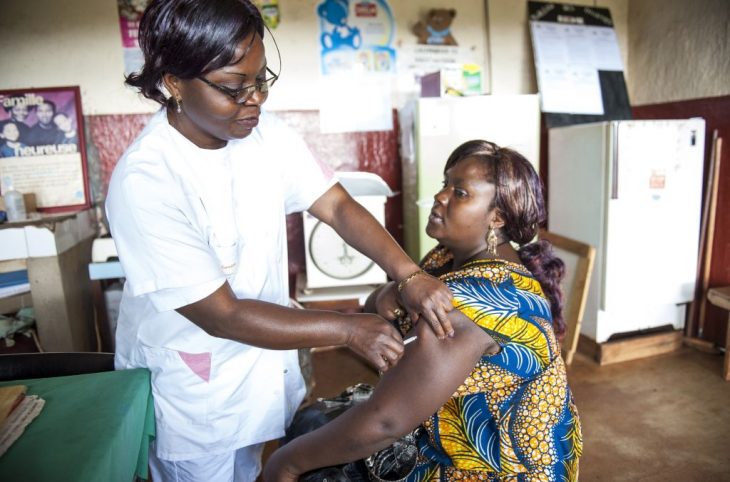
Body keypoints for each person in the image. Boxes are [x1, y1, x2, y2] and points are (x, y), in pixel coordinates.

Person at [104, 1, 454, 481]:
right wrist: (349, 328)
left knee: (249, 466)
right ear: (172, 83)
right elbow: (221, 314)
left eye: (262, 79)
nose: (255, 100)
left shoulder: (265, 134)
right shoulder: (146, 180)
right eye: (233, 88)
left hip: (255, 369)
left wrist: (408, 273)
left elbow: (337, 206)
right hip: (192, 389)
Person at [264, 140, 583, 482]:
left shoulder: (475, 302)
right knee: (311, 424)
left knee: (308, 460)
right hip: (443, 433)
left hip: (491, 470)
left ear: (497, 218)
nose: (441, 196)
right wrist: (393, 290)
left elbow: (386, 421)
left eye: (460, 193)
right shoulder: (445, 259)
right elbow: (378, 307)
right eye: (445, 184)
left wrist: (285, 464)